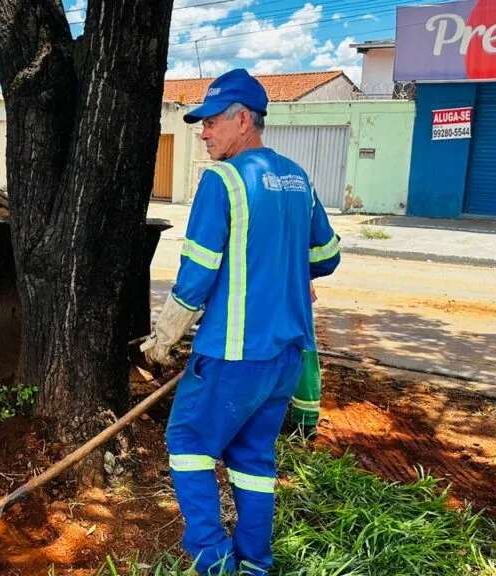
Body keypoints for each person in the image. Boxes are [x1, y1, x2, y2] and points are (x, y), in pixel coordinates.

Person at [141, 68, 341, 575]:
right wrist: (284, 269)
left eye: (211, 122)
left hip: (233, 354)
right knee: (252, 460)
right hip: (284, 359)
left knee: (187, 441)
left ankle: (212, 560)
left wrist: (163, 340)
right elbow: (328, 255)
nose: (203, 132)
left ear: (243, 120)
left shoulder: (224, 181)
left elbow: (196, 275)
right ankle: (255, 564)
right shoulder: (298, 179)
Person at [285, 282, 322, 440]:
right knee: (302, 347)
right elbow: (324, 261)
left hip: (258, 286)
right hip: (297, 285)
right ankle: (306, 419)